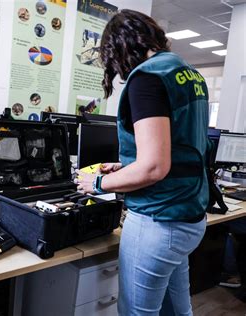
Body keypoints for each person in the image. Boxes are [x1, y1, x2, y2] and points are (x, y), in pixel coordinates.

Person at [75, 10, 210, 315]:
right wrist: (125, 167)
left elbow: (153, 168)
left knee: (137, 312)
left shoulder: (147, 78)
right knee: (177, 309)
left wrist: (97, 182)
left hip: (158, 220)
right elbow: (178, 150)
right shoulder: (188, 73)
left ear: (120, 48)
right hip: (190, 215)